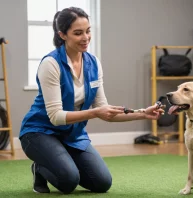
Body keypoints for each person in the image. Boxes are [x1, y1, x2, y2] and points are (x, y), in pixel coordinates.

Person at [19, 7, 163, 195]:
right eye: (78, 33)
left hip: (72, 135)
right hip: (39, 133)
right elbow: (55, 117)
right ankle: (40, 168)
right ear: (62, 35)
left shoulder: (93, 63)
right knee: (68, 181)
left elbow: (106, 112)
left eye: (88, 31)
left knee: (102, 183)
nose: (86, 37)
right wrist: (95, 113)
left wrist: (143, 113)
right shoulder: (50, 64)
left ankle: (59, 160)